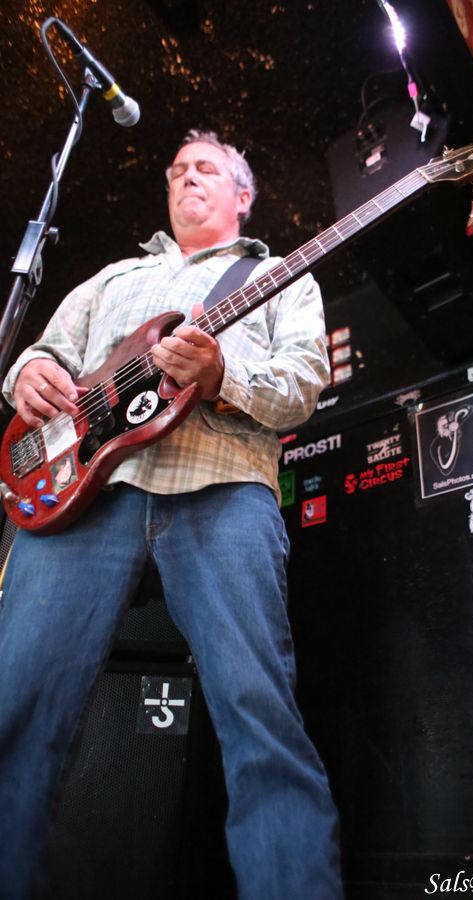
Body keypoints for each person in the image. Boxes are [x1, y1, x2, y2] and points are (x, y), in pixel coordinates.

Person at [0, 129, 344, 900]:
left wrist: (222, 374)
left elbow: (302, 384)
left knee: (260, 718)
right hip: (79, 498)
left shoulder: (280, 276)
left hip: (221, 488)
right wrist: (29, 374)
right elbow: (45, 355)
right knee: (13, 711)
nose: (188, 176)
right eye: (178, 169)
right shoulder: (112, 277)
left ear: (242, 196)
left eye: (206, 168)